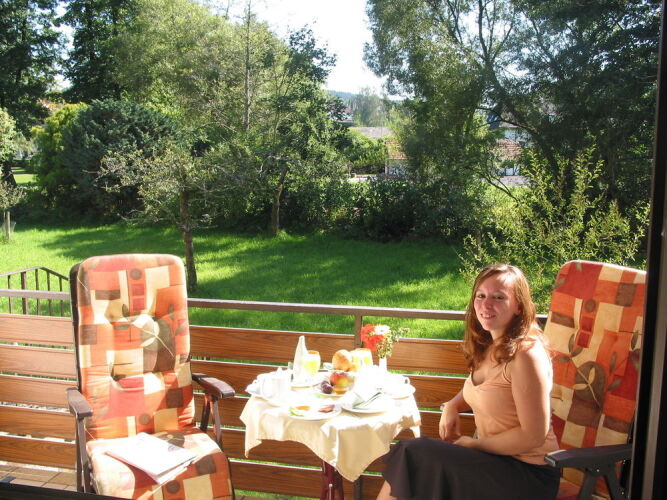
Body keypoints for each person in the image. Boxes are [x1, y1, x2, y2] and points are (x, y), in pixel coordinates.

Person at [377, 264, 560, 500]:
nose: (486, 304)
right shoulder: (490, 345)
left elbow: (533, 435)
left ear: (519, 306)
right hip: (492, 462)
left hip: (527, 475)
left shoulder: (526, 355)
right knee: (418, 462)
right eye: (480, 296)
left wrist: (475, 445)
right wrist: (452, 405)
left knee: (414, 453)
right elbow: (487, 390)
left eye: (498, 297)